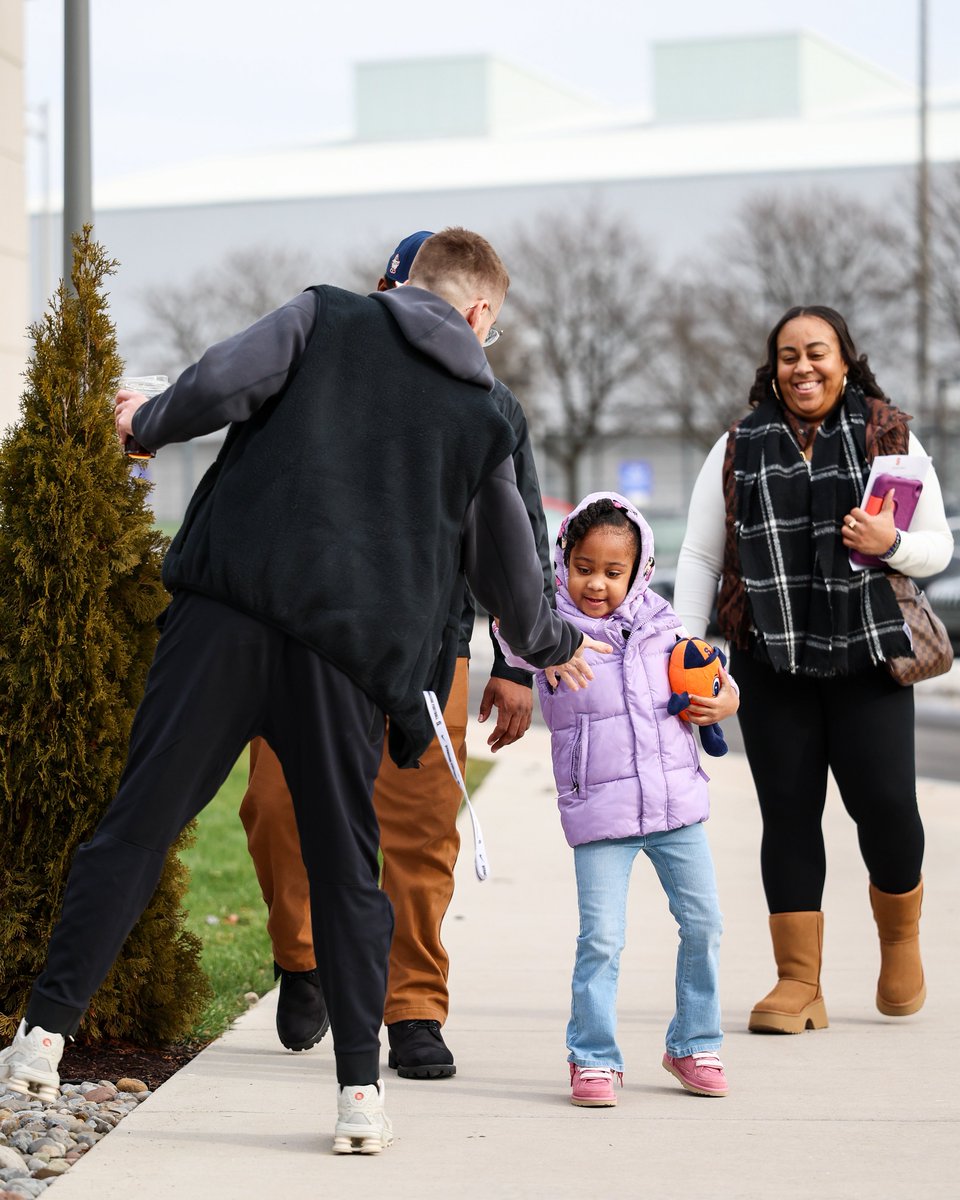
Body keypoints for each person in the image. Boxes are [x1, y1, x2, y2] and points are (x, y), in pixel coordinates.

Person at [0, 228, 609, 1155]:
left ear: (406, 283)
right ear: (480, 313)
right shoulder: (486, 414)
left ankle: (40, 1042)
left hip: (227, 618)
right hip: (349, 660)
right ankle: (360, 1098)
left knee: (141, 823)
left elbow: (216, 386)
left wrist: (144, 421)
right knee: (345, 868)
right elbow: (511, 570)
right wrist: (551, 643)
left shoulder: (323, 313)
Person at [239, 230, 554, 1077]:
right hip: (309, 637)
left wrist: (518, 664)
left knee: (417, 831)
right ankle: (300, 956)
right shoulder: (321, 371)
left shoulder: (491, 405)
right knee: (276, 809)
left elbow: (521, 536)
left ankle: (412, 1007)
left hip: (429, 650)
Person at [673, 305, 954, 1035]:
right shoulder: (738, 445)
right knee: (789, 815)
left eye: (817, 353)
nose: (803, 367)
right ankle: (800, 981)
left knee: (886, 806)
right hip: (772, 659)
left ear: (844, 360)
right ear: (774, 367)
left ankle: (899, 939)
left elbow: (937, 549)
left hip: (866, 655)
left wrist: (891, 541)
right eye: (789, 355)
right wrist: (686, 646)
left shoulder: (888, 436)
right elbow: (702, 555)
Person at [498, 492, 739, 1106]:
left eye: (612, 572)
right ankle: (594, 1057)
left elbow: (712, 675)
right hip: (600, 812)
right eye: (583, 568)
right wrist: (534, 617)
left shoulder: (663, 624)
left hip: (675, 808)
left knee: (704, 924)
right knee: (602, 939)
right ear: (563, 563)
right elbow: (509, 632)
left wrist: (726, 700)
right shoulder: (548, 630)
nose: (597, 584)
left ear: (638, 572)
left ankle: (693, 1043)